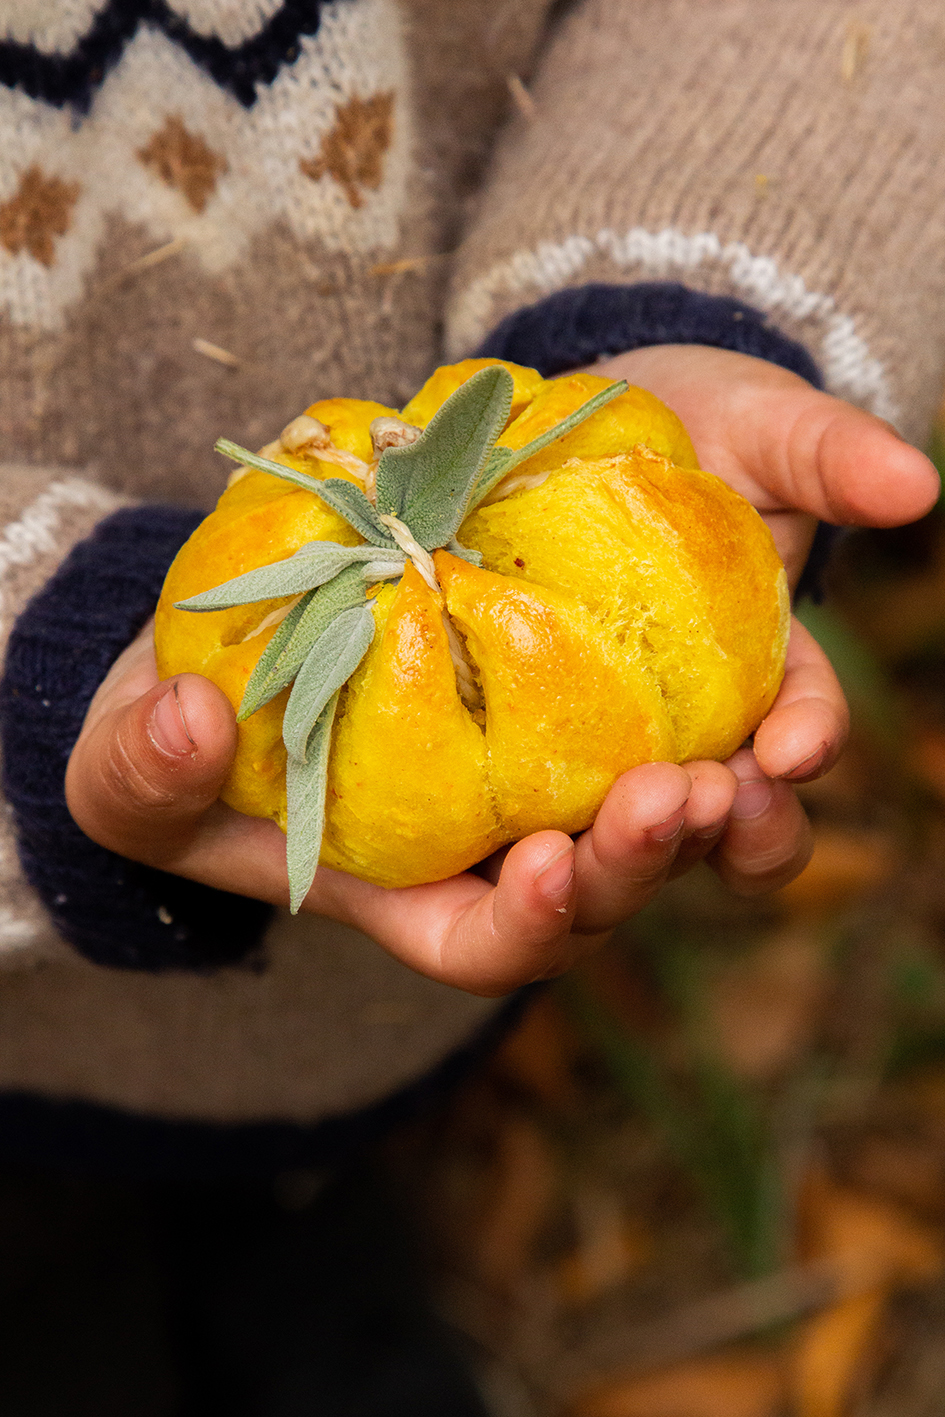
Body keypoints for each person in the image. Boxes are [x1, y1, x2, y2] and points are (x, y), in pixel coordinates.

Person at [0, 0, 940, 1408]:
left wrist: (667, 301)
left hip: (359, 952)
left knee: (304, 1187)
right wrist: (38, 649)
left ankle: (313, 1256)